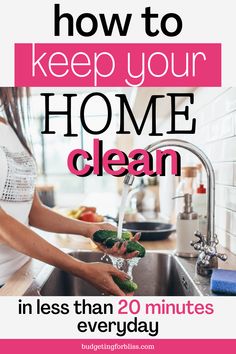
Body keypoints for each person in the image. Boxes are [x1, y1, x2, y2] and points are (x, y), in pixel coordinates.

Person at [0, 88, 139, 295]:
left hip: (22, 273)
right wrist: (81, 269)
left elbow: (34, 210)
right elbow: (3, 224)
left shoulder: (9, 127)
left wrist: (91, 230)